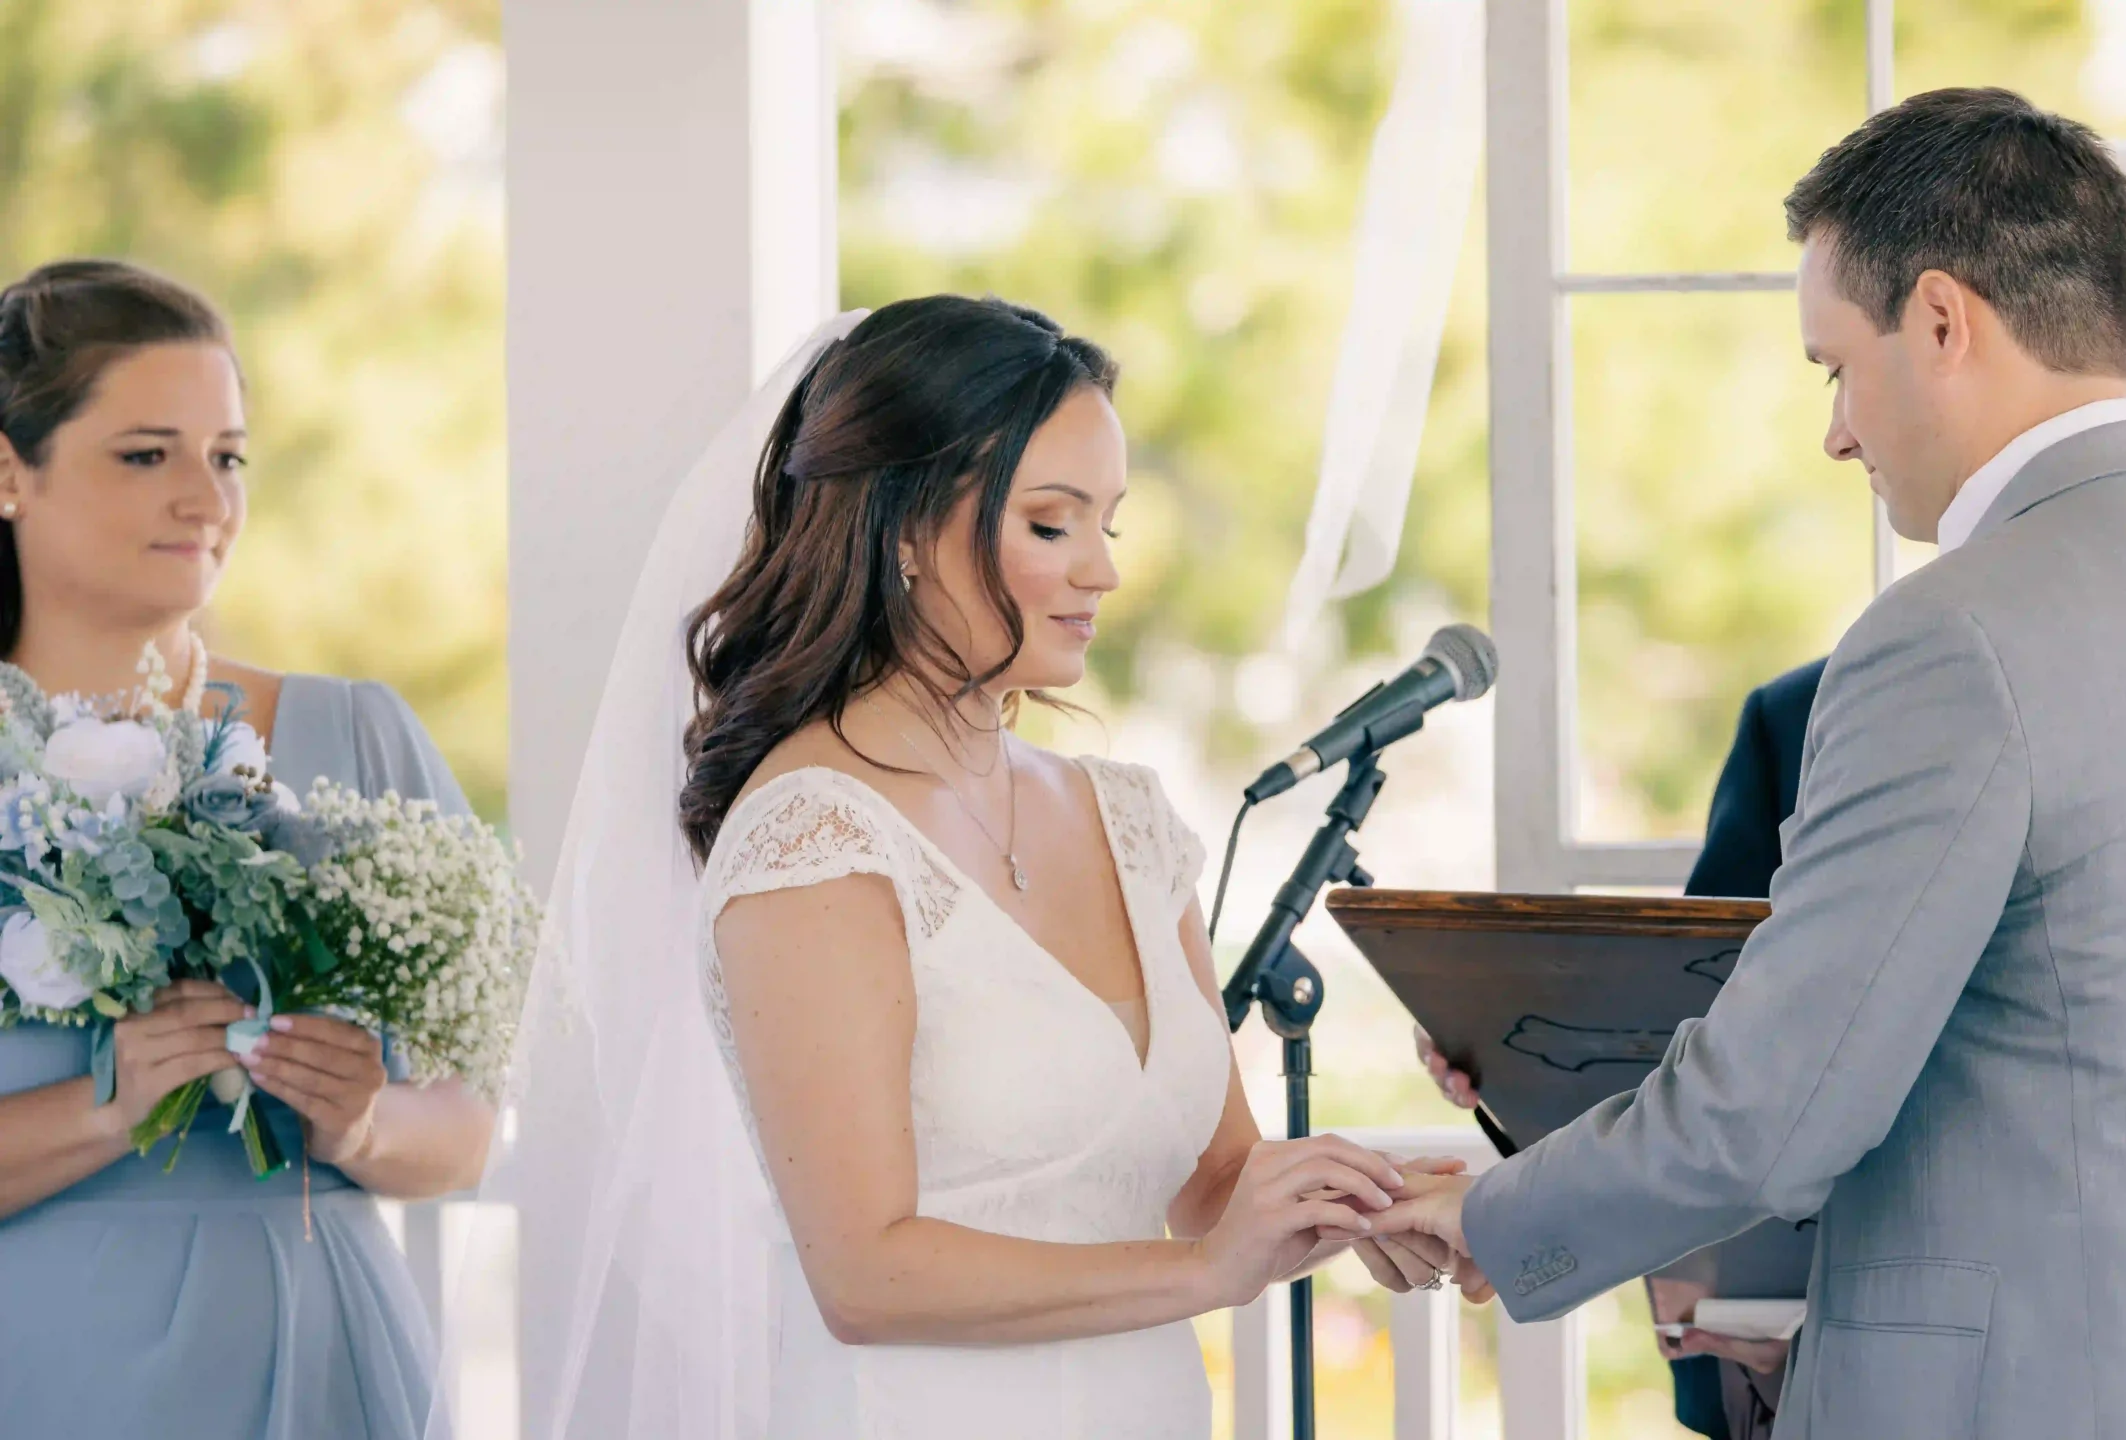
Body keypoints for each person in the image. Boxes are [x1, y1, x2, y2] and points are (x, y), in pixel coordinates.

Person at [1417, 137, 2126, 1439]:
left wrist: (1493, 1216)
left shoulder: (1948, 637)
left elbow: (1779, 1112)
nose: (1836, 432)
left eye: (1835, 366)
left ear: (1941, 320)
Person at [487, 295, 1452, 1440]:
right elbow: (866, 1272)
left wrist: (1374, 1201)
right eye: (1052, 526)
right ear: (902, 529)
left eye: (1109, 524)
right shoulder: (812, 840)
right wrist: (1203, 1278)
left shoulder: (1126, 817)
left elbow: (1209, 1178)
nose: (1099, 570)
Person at [0, 259, 495, 1437]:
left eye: (226, 456)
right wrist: (108, 1107)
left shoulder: (360, 733)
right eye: (146, 454)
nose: (205, 499)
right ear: (9, 472)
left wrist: (360, 1124)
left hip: (326, 1358)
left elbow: (467, 1128)